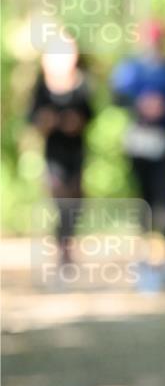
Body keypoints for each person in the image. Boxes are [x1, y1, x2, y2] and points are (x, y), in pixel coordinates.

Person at [111, 18, 165, 291]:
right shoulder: (130, 68)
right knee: (142, 200)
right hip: (139, 144)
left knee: (164, 200)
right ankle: (143, 259)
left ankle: (163, 259)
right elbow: (117, 97)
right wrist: (141, 104)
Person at [27, 39, 94, 272]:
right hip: (53, 155)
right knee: (59, 200)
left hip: (76, 153)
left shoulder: (81, 84)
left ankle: (68, 243)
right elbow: (33, 118)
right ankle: (62, 248)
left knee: (75, 202)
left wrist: (75, 122)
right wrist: (49, 122)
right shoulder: (42, 87)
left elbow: (89, 115)